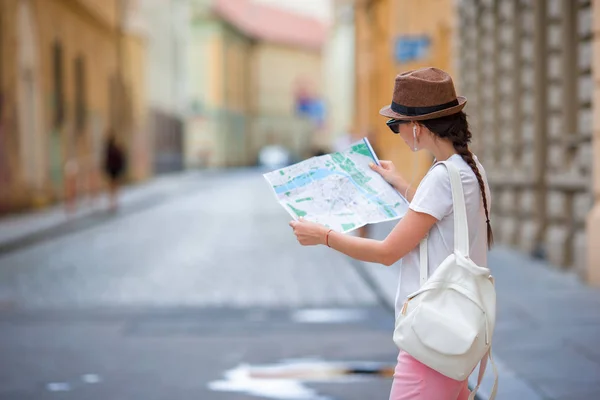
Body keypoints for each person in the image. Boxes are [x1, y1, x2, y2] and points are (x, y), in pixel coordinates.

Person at [289, 67, 493, 400]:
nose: (395, 131)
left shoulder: (441, 177)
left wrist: (323, 235)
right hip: (460, 330)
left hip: (431, 338)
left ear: (417, 128)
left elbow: (386, 253)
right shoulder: (470, 168)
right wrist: (401, 184)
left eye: (395, 124)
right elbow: (442, 218)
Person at [103, 131, 126, 212]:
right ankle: (113, 202)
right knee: (113, 187)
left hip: (113, 170)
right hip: (114, 170)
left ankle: (113, 202)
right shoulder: (111, 149)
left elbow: (107, 160)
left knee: (112, 187)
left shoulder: (110, 149)